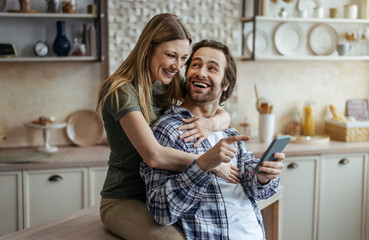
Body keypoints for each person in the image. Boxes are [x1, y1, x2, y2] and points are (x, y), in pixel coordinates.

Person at [96, 14, 240, 240]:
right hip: (125, 199)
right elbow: (154, 156)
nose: (178, 66)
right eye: (171, 55)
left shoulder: (169, 82)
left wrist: (210, 124)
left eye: (183, 58)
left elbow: (218, 109)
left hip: (159, 195)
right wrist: (208, 164)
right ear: (147, 50)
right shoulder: (121, 91)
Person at [140, 39, 285, 240]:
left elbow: (254, 187)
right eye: (196, 65)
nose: (201, 73)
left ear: (226, 84)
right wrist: (202, 165)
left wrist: (264, 175)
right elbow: (160, 210)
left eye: (212, 68)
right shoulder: (169, 129)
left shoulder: (227, 130)